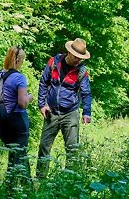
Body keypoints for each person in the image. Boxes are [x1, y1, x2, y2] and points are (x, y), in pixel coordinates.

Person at [36, 38, 92, 178]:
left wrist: (87, 112)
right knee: (44, 147)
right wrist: (42, 104)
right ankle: (40, 179)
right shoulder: (53, 63)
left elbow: (86, 92)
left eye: (80, 58)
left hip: (70, 113)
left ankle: (69, 179)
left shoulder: (81, 71)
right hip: (52, 112)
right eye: (76, 57)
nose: (78, 60)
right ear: (69, 52)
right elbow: (44, 82)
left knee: (72, 149)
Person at [0, 46, 33, 188]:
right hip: (17, 121)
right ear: (19, 60)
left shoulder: (0, 74)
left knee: (19, 154)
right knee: (17, 157)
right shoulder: (19, 78)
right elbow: (22, 103)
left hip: (2, 121)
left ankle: (28, 187)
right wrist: (30, 97)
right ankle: (10, 188)